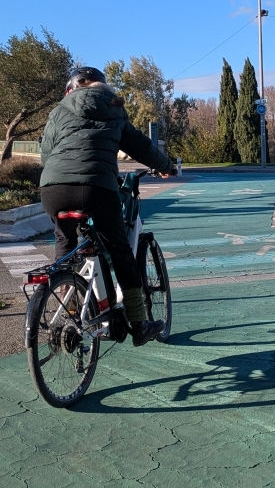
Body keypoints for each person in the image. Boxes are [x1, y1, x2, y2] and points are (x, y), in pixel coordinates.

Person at [39, 66, 174, 346]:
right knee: (119, 250)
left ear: (72, 88)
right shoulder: (112, 106)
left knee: (65, 242)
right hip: (96, 187)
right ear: (101, 86)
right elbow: (140, 146)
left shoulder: (59, 110)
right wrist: (165, 166)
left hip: (53, 188)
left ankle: (70, 311)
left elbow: (46, 154)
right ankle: (139, 324)